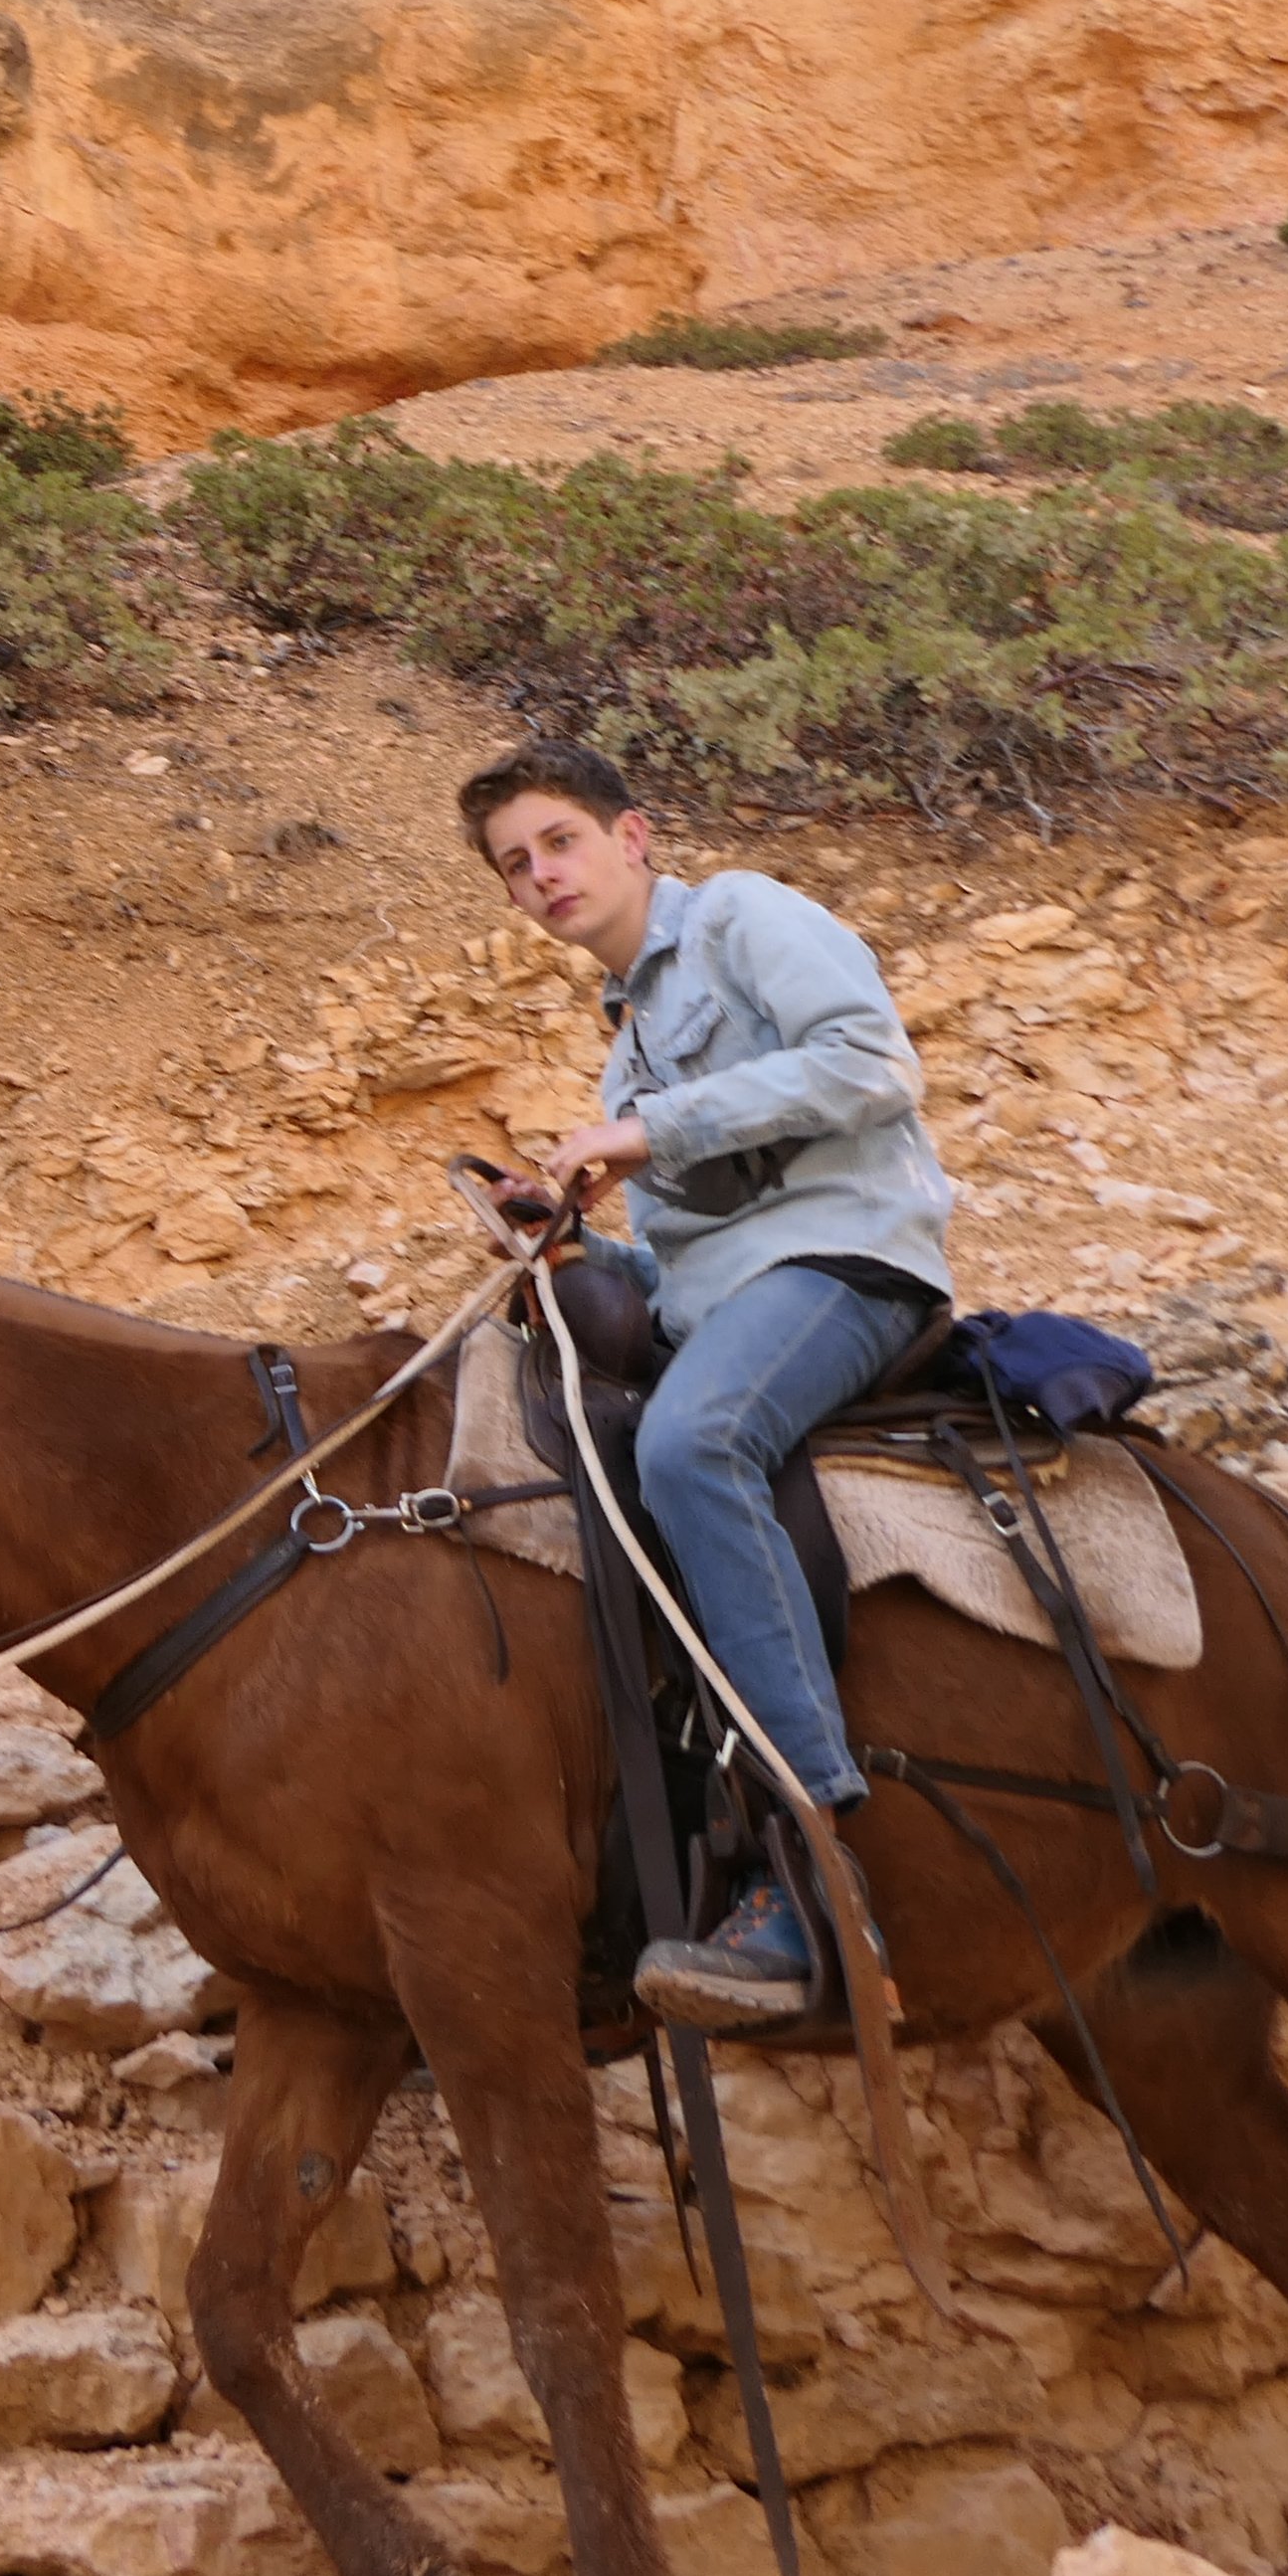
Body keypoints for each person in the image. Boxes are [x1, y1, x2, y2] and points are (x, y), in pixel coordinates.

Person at [468, 736, 951, 2029]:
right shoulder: (626, 1053)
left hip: (843, 1263)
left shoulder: (742, 917)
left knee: (691, 1447)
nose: (541, 875)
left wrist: (651, 1131)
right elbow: (686, 1266)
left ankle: (816, 1866)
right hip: (733, 1300)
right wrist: (572, 1244)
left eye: (560, 840)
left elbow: (872, 1064)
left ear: (632, 837)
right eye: (514, 865)